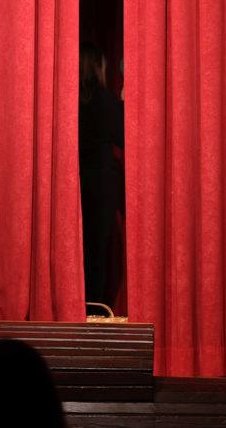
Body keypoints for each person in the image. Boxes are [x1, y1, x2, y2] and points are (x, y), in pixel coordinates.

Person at [78, 42, 124, 309]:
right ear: (98, 67)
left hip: (73, 189)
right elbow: (123, 136)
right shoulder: (106, 101)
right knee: (96, 256)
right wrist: (124, 105)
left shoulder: (64, 100)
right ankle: (93, 311)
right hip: (101, 191)